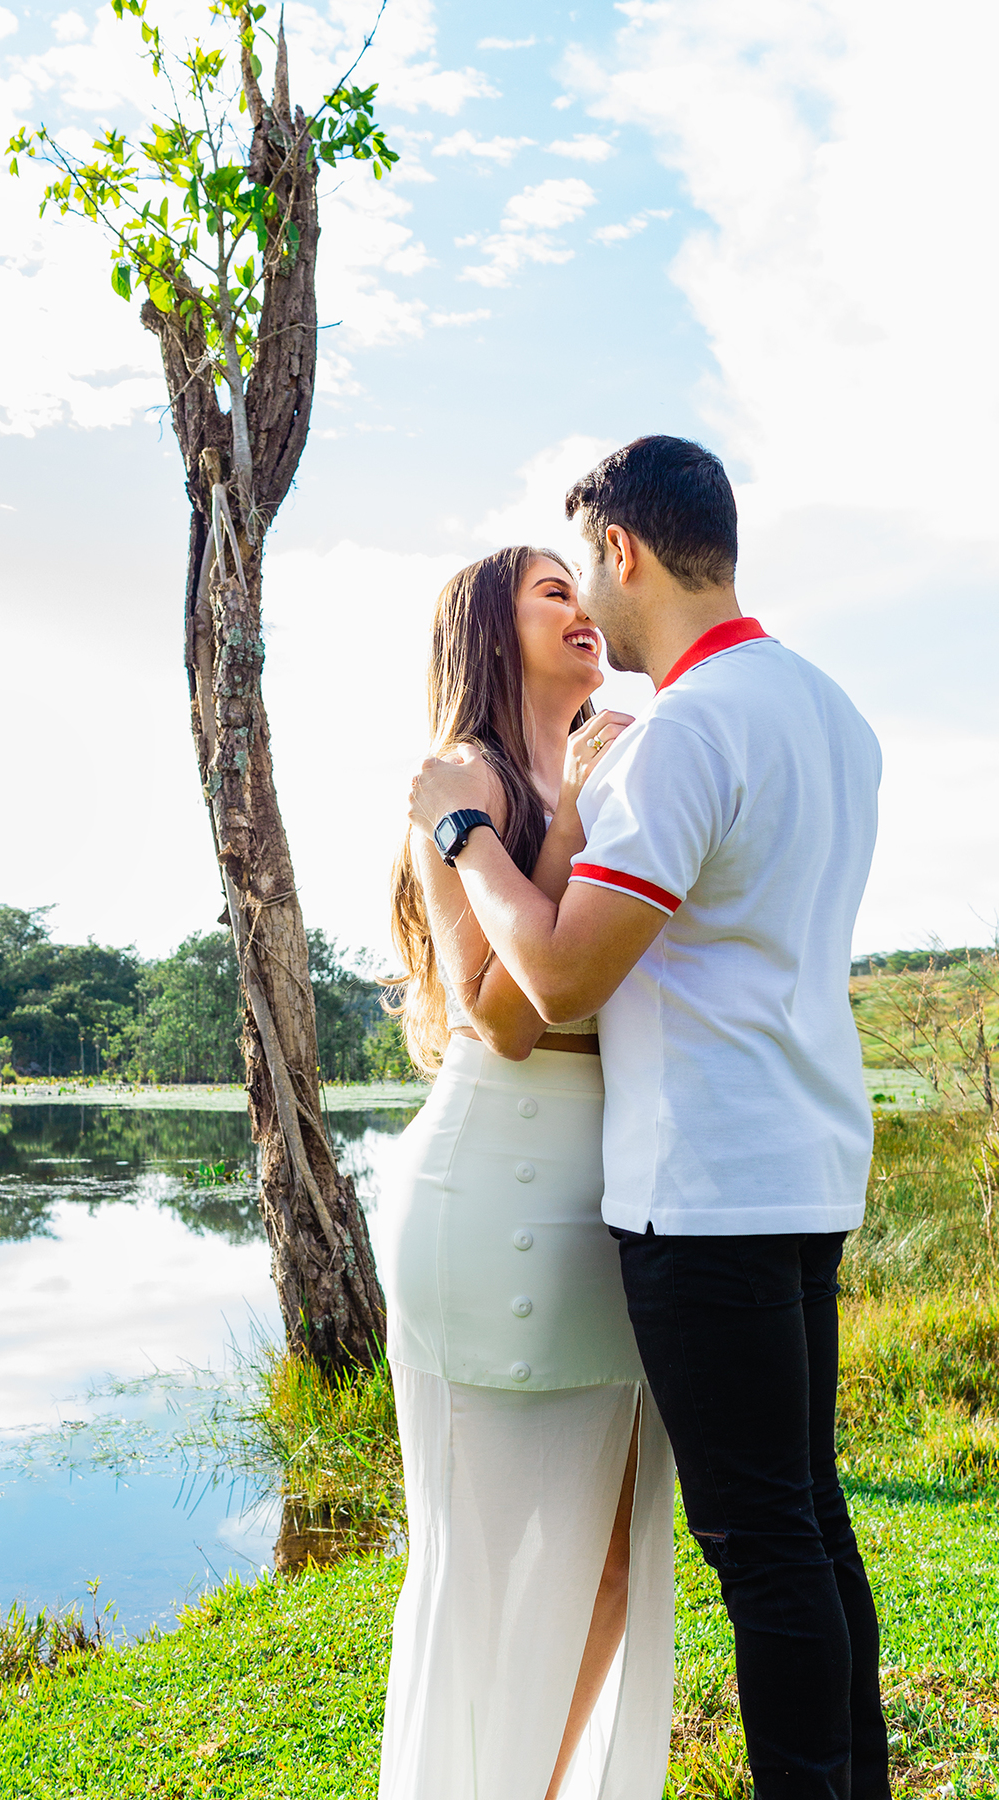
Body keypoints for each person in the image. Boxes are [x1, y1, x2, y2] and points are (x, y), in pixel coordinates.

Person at [408, 435, 889, 1800]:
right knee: (809, 1523)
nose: (587, 613)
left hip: (706, 1191)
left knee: (764, 1547)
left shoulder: (686, 730)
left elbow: (552, 976)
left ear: (622, 550)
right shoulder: (827, 710)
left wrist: (466, 841)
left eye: (583, 571)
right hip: (805, 1171)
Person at [376, 545, 675, 1800]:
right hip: (489, 1181)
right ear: (489, 630)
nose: (578, 606)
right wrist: (557, 822)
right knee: (484, 1554)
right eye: (546, 590)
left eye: (577, 584)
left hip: (614, 1194)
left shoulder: (628, 763)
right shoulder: (460, 781)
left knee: (613, 1553)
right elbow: (497, 1011)